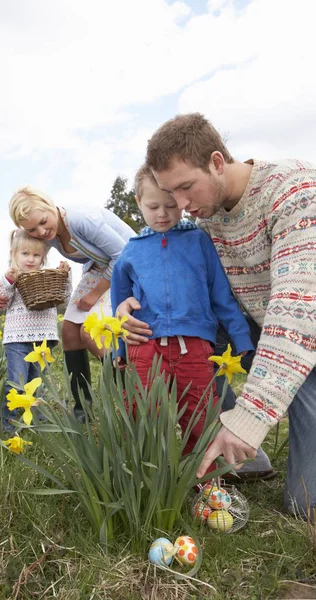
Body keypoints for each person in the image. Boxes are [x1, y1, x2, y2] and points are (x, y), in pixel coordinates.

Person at [119, 113, 316, 516]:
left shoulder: (295, 190)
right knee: (186, 339)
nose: (181, 206)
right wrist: (127, 307)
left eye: (186, 188)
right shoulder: (202, 220)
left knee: (304, 506)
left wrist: (249, 418)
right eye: (172, 195)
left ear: (216, 162)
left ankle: (239, 435)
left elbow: (295, 318)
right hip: (255, 327)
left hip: (302, 331)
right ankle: (236, 451)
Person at [111, 165, 254, 463]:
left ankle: (205, 489)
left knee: (201, 415)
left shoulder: (199, 241)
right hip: (145, 346)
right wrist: (120, 348)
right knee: (143, 414)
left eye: (171, 205)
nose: (162, 214)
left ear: (181, 200)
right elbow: (119, 304)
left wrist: (241, 338)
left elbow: (221, 296)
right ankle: (147, 484)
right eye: (153, 206)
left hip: (196, 346)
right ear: (139, 202)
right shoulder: (131, 251)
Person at [0, 186, 134, 422]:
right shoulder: (46, 234)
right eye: (32, 229)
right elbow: (24, 256)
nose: (41, 231)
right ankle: (82, 412)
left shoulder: (81, 220)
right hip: (100, 269)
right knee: (68, 330)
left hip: (128, 267)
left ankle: (131, 396)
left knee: (89, 334)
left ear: (50, 206)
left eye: (43, 222)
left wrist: (95, 294)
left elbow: (123, 254)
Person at [0, 229, 72, 431]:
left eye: (36, 255)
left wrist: (66, 274)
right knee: (16, 382)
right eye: (25, 254)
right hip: (17, 339)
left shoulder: (47, 279)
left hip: (45, 338)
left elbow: (65, 295)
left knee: (39, 382)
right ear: (14, 254)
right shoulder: (14, 277)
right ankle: (5, 419)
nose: (30, 259)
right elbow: (3, 300)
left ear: (43, 257)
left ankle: (38, 419)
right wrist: (8, 280)